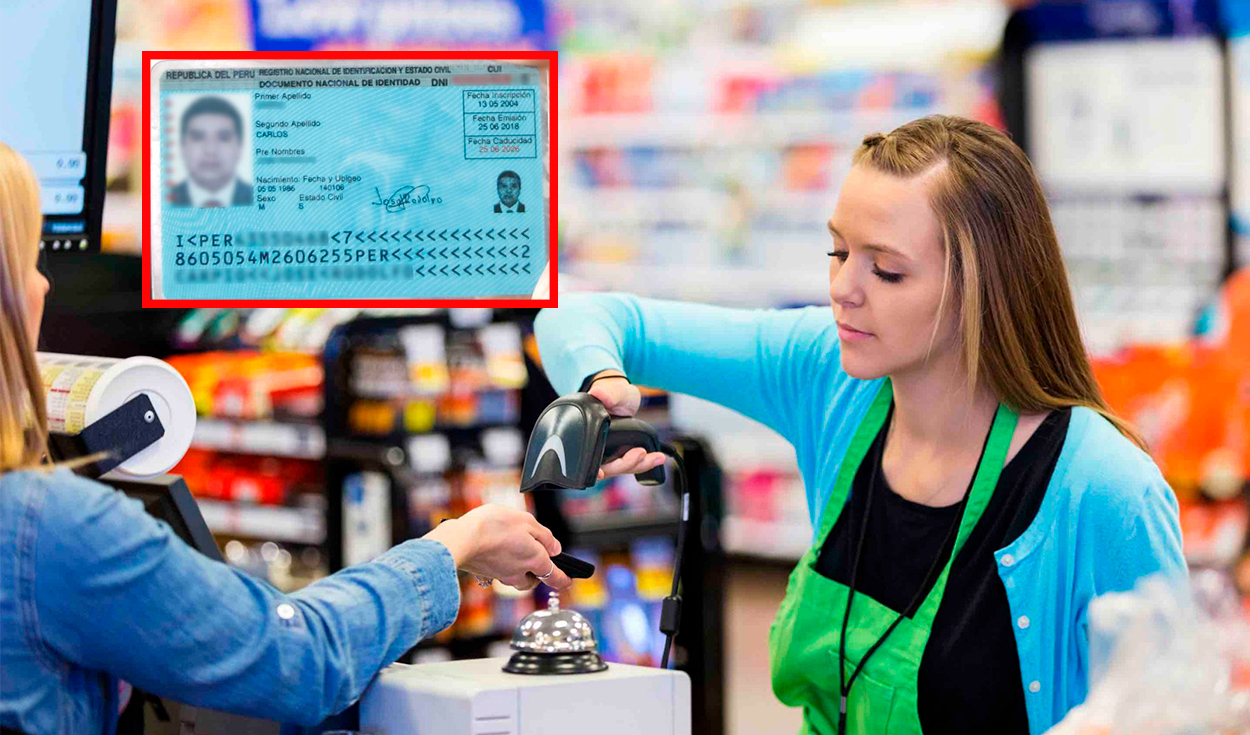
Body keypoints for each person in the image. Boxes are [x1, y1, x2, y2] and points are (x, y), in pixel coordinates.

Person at [533, 116, 1186, 735]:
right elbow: (580, 315)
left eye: (887, 269)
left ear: (985, 288)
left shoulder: (1104, 492)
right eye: (837, 250)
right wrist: (600, 383)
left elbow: (1172, 711)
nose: (843, 287)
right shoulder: (830, 372)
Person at [0, 141, 571, 734]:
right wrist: (455, 542)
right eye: (29, 258)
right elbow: (298, 658)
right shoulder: (45, 524)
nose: (43, 285)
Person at [168, 96, 254, 208]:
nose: (210, 150)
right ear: (182, 146)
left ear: (240, 147)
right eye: (198, 137)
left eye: (223, 138)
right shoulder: (164, 200)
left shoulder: (258, 198)